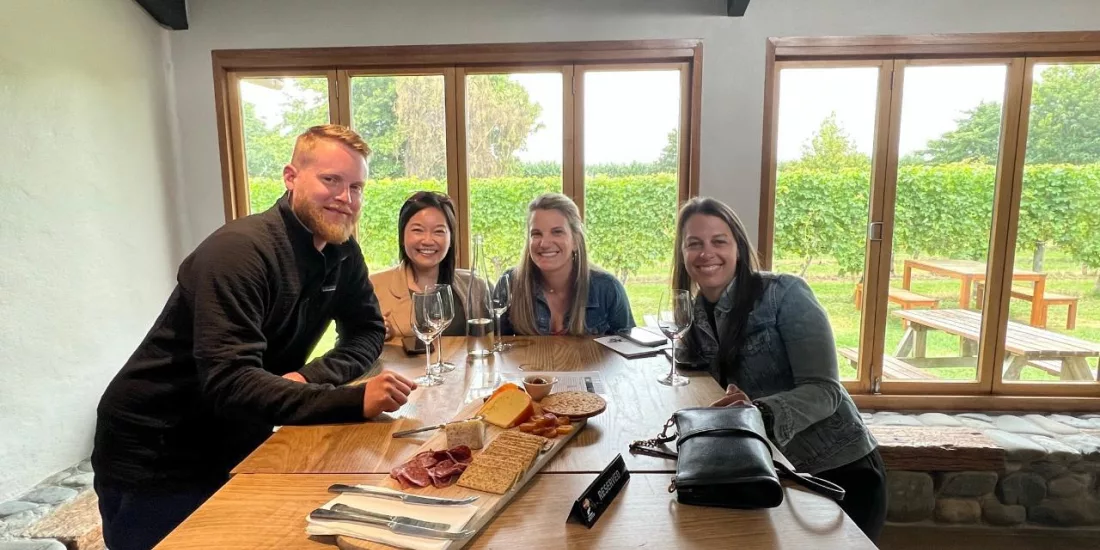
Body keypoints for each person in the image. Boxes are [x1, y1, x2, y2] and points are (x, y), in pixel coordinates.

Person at [91, 125, 417, 550]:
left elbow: (367, 329)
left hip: (241, 428)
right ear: (291, 177)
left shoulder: (342, 251)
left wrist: (306, 377)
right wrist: (352, 400)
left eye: (356, 187)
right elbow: (229, 381)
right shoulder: (239, 252)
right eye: (330, 180)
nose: (346, 198)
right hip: (158, 448)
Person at [672, 197, 885, 541]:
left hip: (840, 472)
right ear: (682, 254)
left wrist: (758, 413)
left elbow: (825, 390)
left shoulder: (785, 293)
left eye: (718, 241)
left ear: (738, 247)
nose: (705, 252)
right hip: (774, 471)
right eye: (693, 244)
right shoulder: (696, 314)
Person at [498, 192, 634, 336]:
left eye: (557, 232)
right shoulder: (510, 283)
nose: (544, 243)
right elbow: (493, 346)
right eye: (536, 234)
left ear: (575, 240)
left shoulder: (607, 288)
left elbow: (630, 350)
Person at [371, 191, 476, 340]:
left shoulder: (475, 286)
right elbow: (347, 344)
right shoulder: (373, 287)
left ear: (451, 238)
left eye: (439, 231)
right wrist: (372, 335)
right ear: (402, 236)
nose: (428, 240)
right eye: (418, 230)